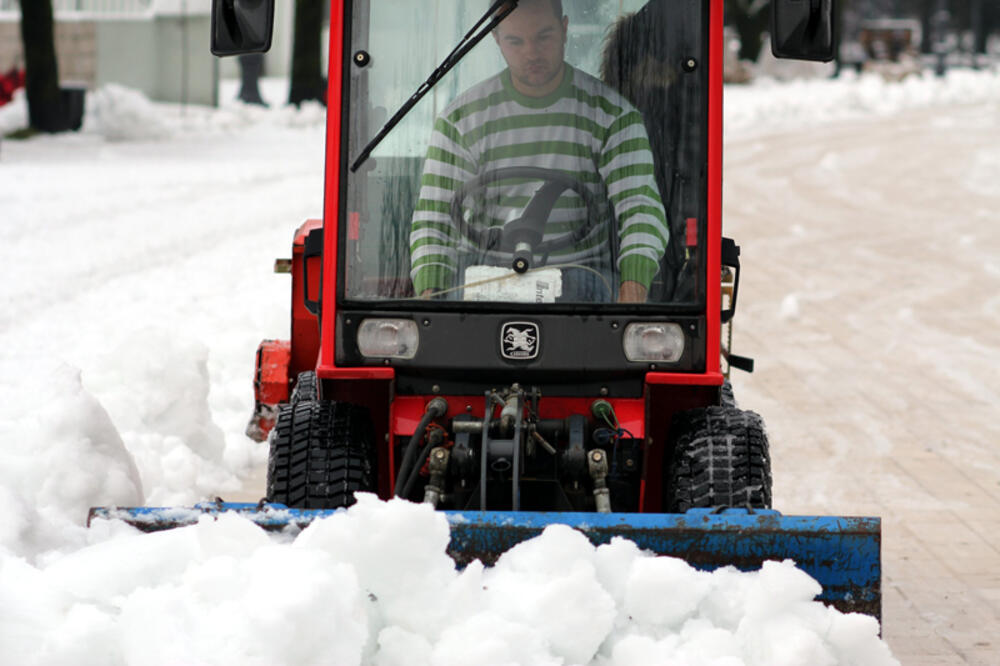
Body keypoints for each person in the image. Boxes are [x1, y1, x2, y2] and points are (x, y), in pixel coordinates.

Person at [409, 0, 668, 303]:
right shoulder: (461, 120)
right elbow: (434, 217)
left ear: (564, 30)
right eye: (515, 41)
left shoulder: (612, 116)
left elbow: (640, 208)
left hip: (579, 275)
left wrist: (632, 294)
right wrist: (428, 302)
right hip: (484, 276)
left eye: (543, 37)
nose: (531, 53)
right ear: (496, 40)